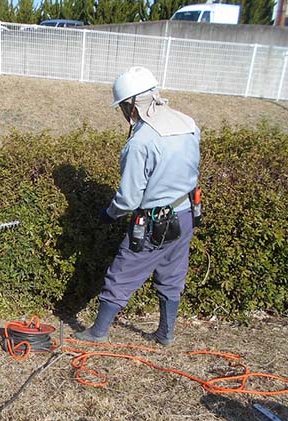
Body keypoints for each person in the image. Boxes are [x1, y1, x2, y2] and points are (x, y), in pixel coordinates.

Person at [73, 66, 200, 346]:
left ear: (131, 104)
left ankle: (98, 332)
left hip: (155, 222)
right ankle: (165, 334)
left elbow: (129, 199)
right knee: (173, 273)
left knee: (123, 272)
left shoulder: (141, 140)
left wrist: (110, 213)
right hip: (186, 212)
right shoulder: (188, 123)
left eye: (122, 106)